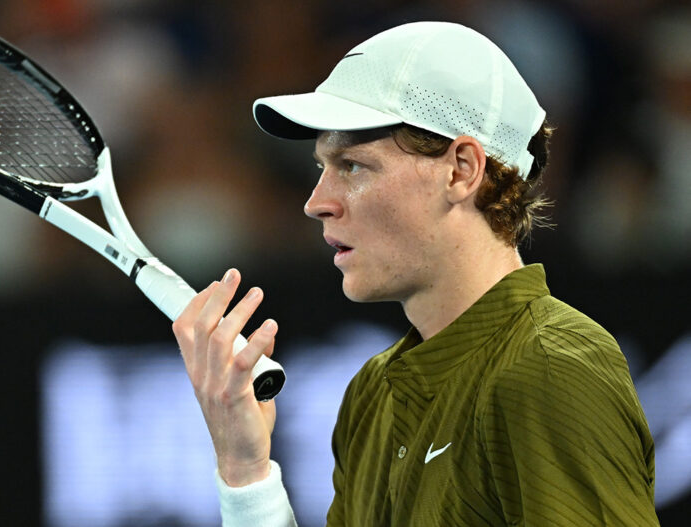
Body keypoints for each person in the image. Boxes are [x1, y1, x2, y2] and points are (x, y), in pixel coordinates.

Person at [172, 21, 658, 526]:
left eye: (353, 165)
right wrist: (246, 471)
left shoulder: (551, 370)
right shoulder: (371, 395)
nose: (317, 203)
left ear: (461, 170)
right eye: (322, 166)